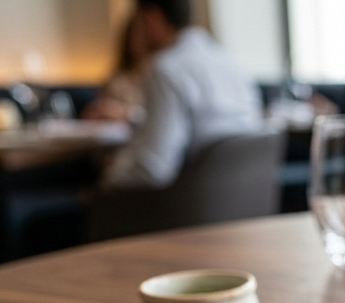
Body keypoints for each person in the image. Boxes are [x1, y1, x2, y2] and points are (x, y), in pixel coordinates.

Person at [103, 0, 262, 188]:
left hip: (185, 201)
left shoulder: (166, 68)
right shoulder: (229, 63)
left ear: (152, 17)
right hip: (239, 196)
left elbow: (152, 168)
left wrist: (106, 183)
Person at [82, 16, 151, 123]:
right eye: (137, 33)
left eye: (146, 33)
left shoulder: (161, 78)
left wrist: (127, 113)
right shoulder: (117, 81)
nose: (143, 39)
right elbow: (96, 112)